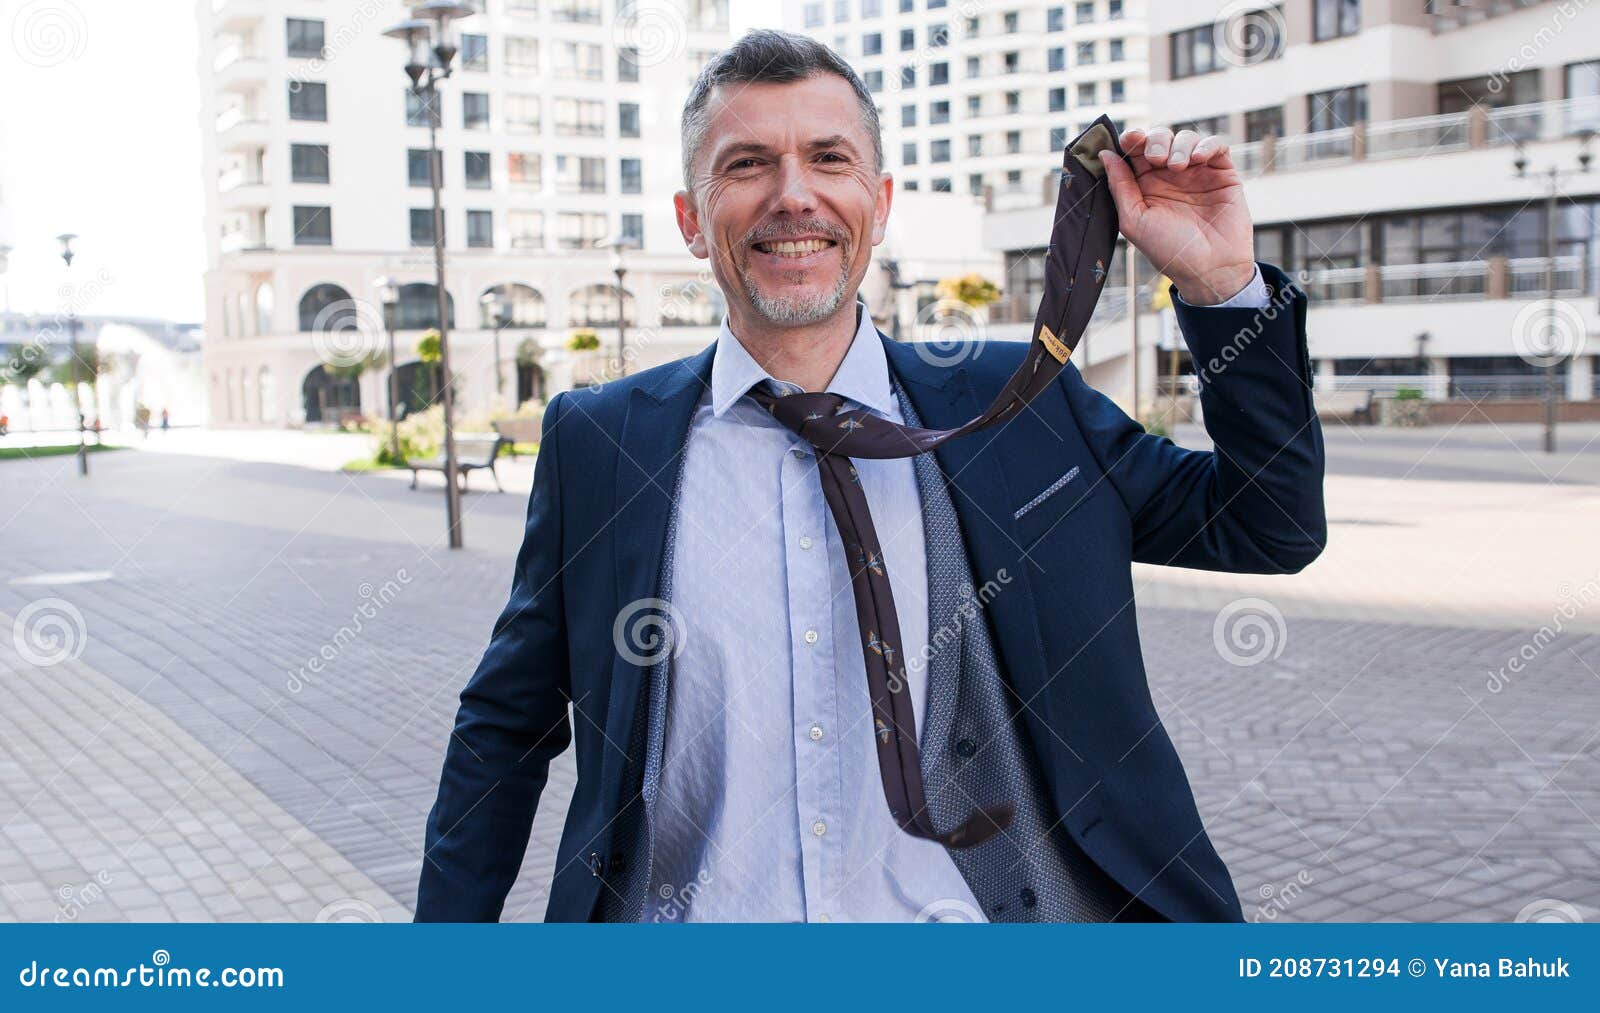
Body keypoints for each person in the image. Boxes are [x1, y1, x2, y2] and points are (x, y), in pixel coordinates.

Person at [417, 30, 1324, 924]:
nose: (793, 195)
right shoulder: (602, 443)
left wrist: (1220, 285)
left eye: (828, 157)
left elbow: (1268, 525)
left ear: (879, 203)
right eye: (745, 166)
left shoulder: (1024, 404)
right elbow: (504, 728)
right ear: (692, 220)